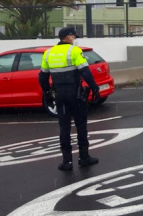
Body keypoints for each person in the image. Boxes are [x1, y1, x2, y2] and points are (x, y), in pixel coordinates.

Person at [39, 27, 101, 171]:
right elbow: (85, 71)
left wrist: (47, 92)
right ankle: (84, 157)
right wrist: (94, 87)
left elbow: (42, 76)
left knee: (64, 127)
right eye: (73, 36)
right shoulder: (74, 51)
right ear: (67, 37)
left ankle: (67, 161)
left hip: (59, 95)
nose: (75, 39)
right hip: (76, 94)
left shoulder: (48, 53)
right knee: (81, 126)